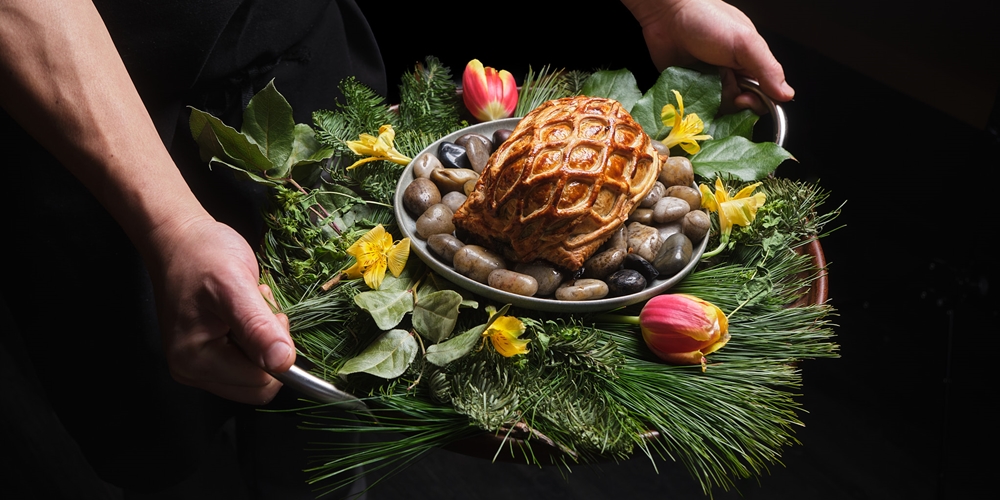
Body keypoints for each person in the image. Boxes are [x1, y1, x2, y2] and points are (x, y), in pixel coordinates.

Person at [0, 0, 792, 497]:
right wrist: (170, 223)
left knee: (328, 411)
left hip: (280, 30)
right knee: (157, 413)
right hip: (76, 94)